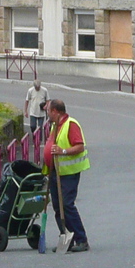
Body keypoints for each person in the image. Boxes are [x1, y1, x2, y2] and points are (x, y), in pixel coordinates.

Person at [44, 99, 90, 253]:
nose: (47, 114)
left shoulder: (71, 124)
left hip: (68, 173)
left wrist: (62, 151)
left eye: (48, 111)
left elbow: (80, 145)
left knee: (67, 205)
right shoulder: (55, 125)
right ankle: (66, 237)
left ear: (55, 111)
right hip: (55, 172)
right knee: (58, 207)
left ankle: (81, 239)